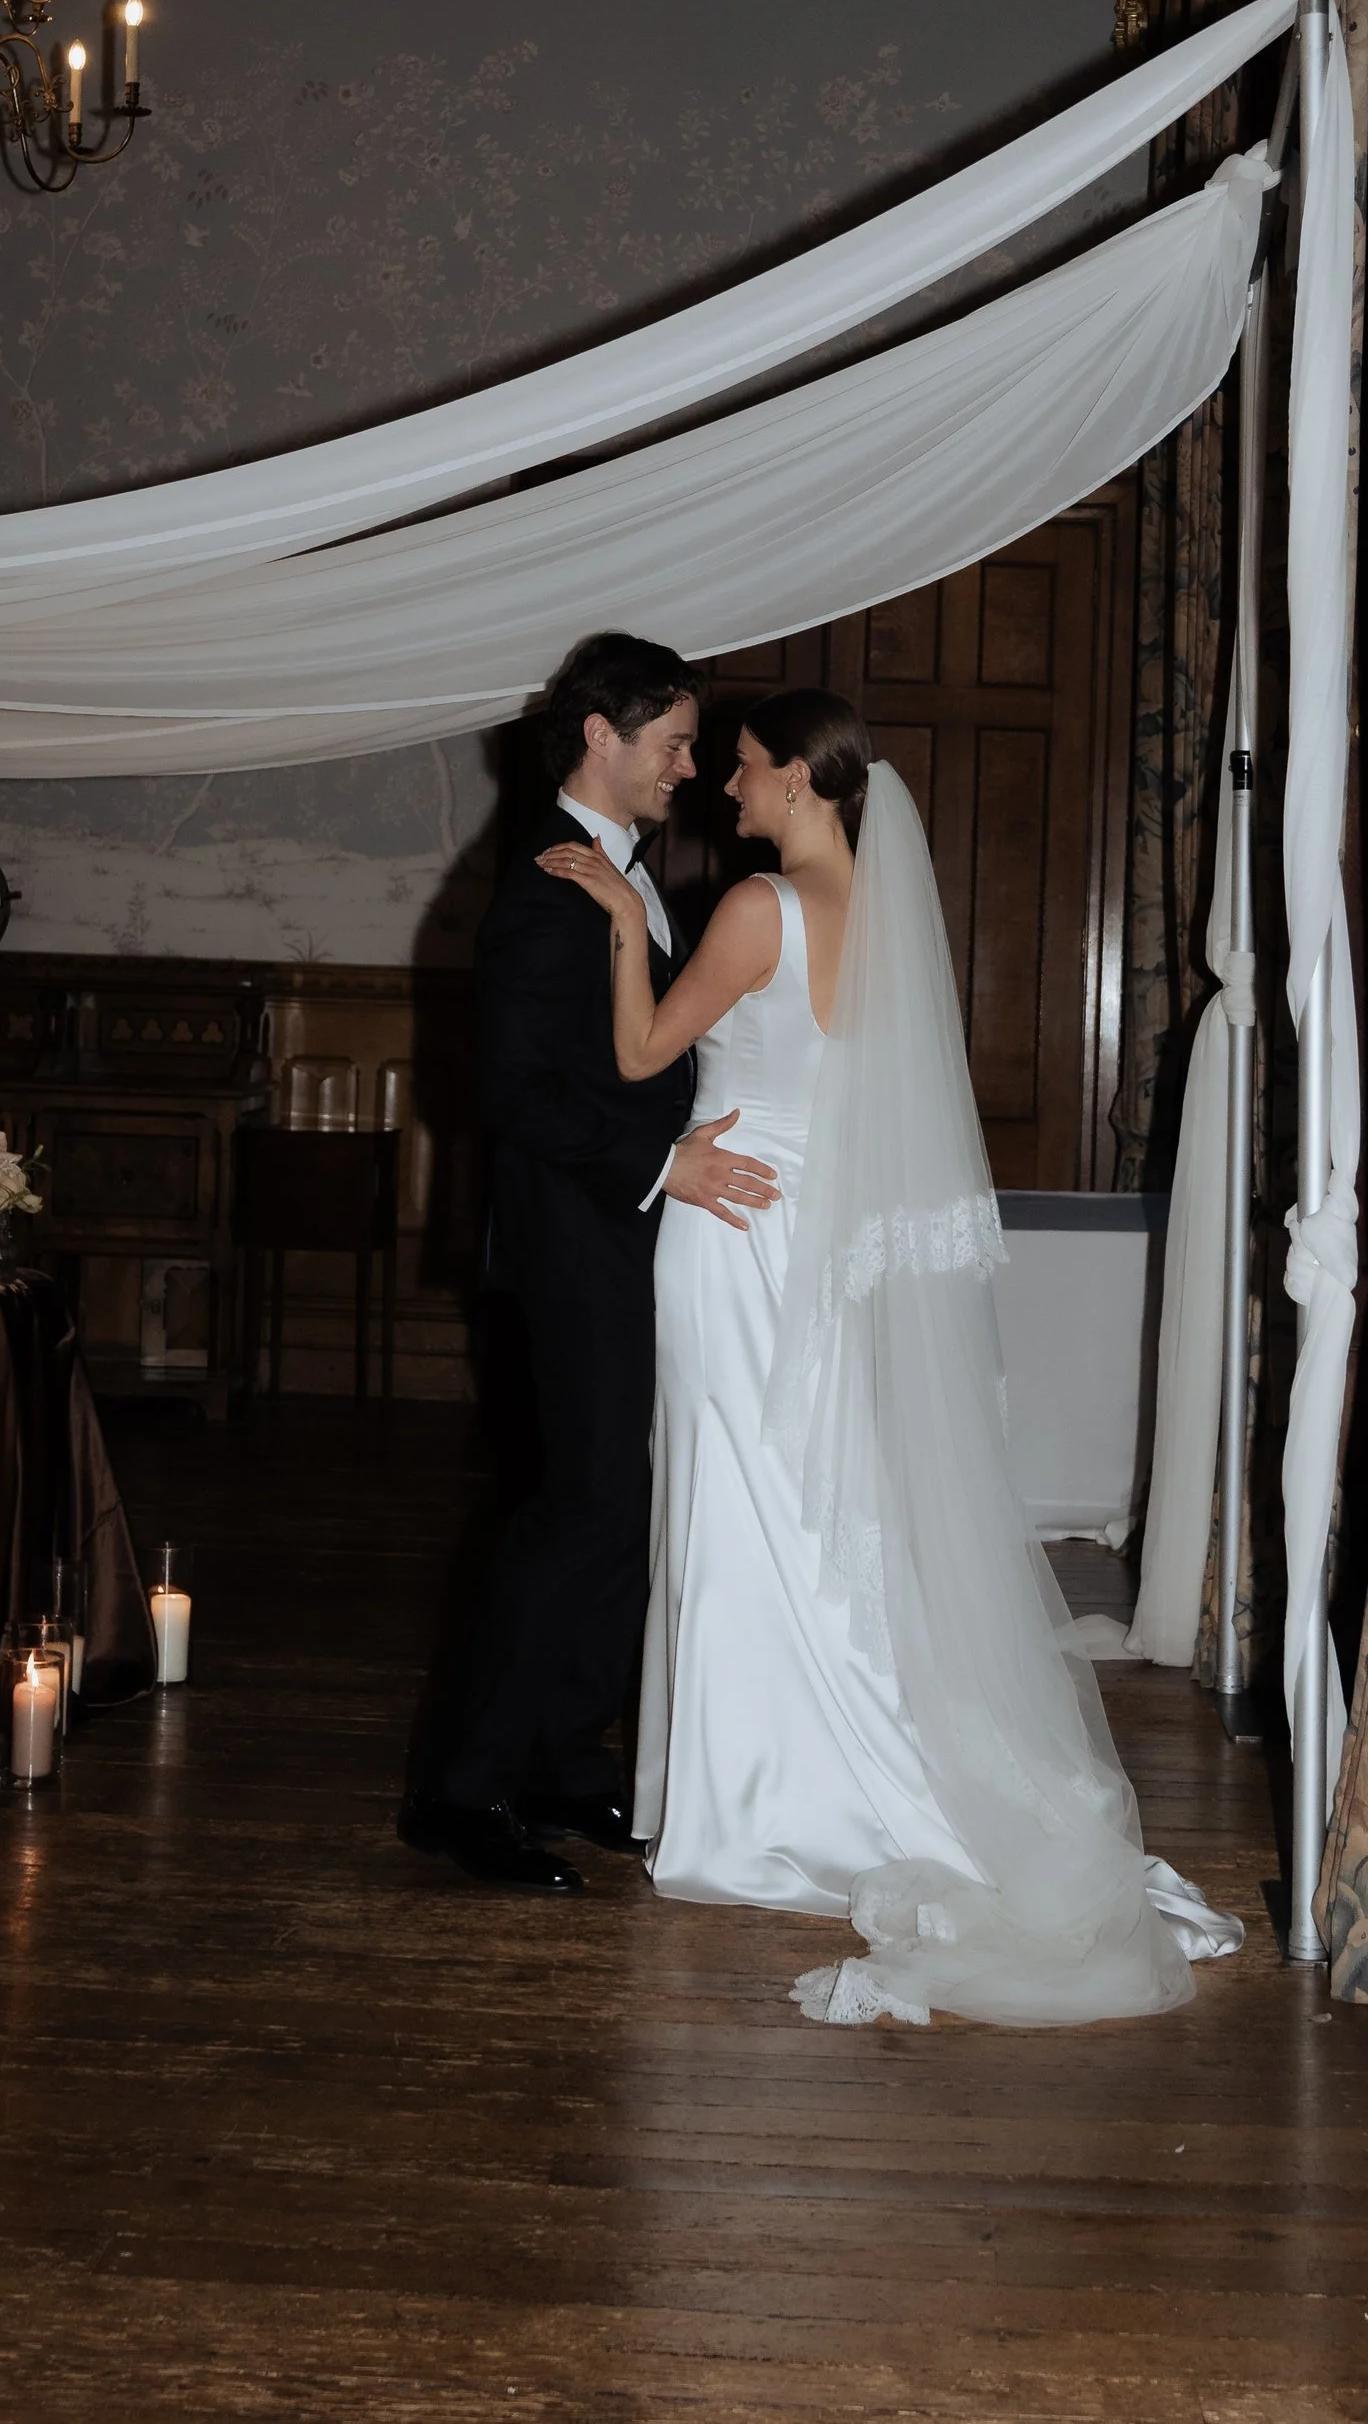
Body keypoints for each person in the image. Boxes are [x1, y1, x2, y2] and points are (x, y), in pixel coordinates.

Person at [539, 690, 1242, 2023]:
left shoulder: (759, 907)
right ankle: (816, 1772)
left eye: (743, 768)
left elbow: (641, 1055)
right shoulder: (893, 919)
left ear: (800, 778)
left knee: (740, 1501)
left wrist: (626, 925)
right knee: (813, 1503)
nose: (724, 787)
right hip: (827, 1243)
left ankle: (759, 1802)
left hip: (732, 1229)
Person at [403, 633, 772, 1895]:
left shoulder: (621, 871)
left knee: (619, 1515)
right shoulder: (539, 887)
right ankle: (462, 1793)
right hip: (574, 1246)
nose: (687, 765)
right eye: (670, 743)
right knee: (578, 1513)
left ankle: (559, 1761)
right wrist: (667, 1167)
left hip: (624, 1241)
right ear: (597, 739)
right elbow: (515, 1096)